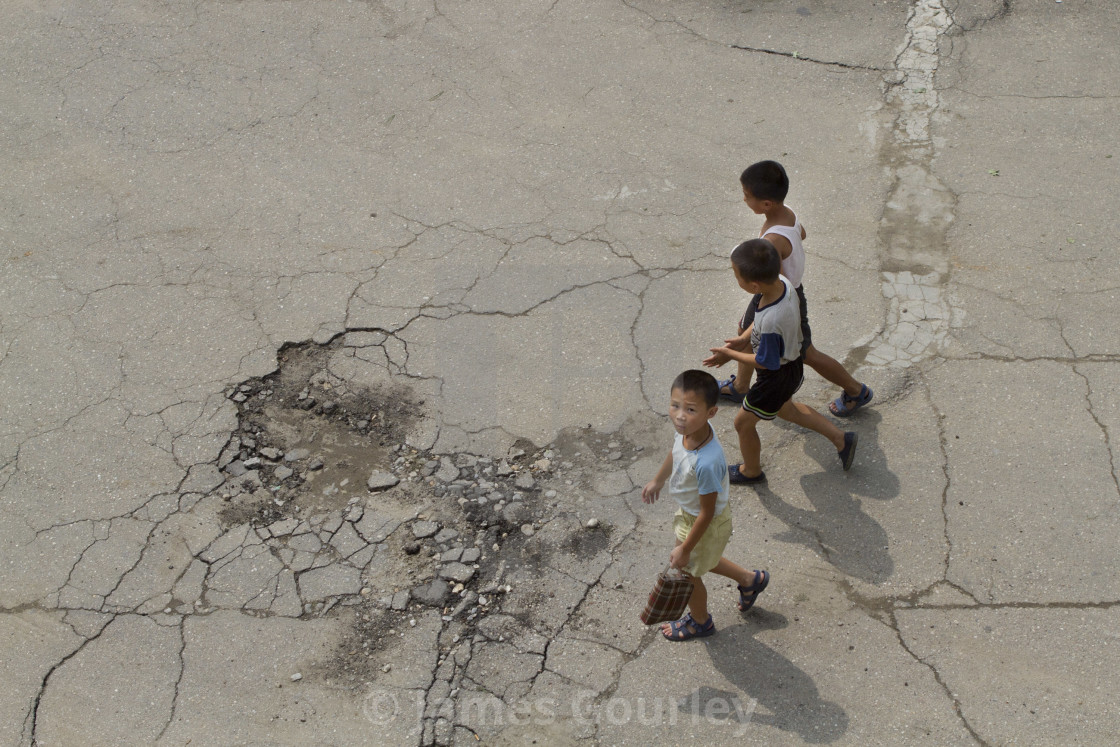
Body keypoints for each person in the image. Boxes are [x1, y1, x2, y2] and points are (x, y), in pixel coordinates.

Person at [704, 160, 873, 417]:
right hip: (782, 293)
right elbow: (801, 234)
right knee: (744, 329)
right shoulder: (787, 213)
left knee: (806, 353)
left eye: (747, 196)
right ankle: (740, 386)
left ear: (766, 204)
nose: (744, 200)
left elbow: (775, 285)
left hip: (783, 299)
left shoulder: (773, 240)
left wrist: (747, 333)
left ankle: (855, 389)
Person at [708, 239, 857, 484]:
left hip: (774, 378)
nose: (736, 279)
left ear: (753, 284)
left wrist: (730, 355)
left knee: (743, 424)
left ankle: (751, 471)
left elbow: (765, 362)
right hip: (792, 365)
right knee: (787, 409)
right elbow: (757, 319)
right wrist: (742, 339)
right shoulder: (782, 285)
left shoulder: (771, 321)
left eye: (737, 276)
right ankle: (842, 439)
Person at [642, 369, 771, 641]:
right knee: (703, 559)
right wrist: (658, 480)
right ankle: (750, 580)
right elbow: (675, 453)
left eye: (690, 409)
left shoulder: (707, 463)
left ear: (711, 413)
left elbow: (707, 512)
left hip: (705, 522)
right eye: (675, 405)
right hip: (692, 516)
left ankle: (700, 622)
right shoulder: (689, 431)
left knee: (688, 571)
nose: (679, 415)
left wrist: (685, 548)